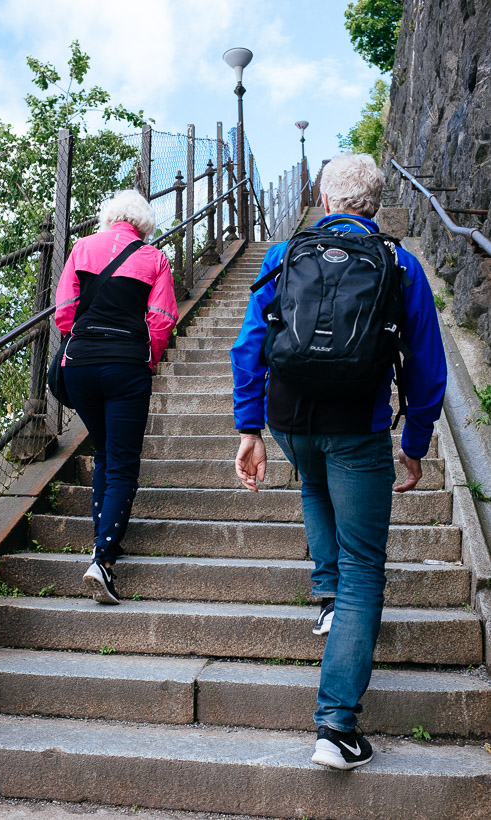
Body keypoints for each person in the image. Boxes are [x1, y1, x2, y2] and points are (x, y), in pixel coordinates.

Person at [231, 153, 446, 769]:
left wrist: (250, 429)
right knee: (365, 570)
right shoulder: (400, 264)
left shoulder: (282, 256)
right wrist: (414, 444)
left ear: (325, 200)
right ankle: (337, 726)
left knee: (313, 485)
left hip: (290, 420)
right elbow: (430, 370)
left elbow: (248, 346)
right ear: (375, 207)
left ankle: (326, 599)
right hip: (359, 427)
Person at [55, 189, 178, 605]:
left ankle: (103, 543)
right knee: (123, 461)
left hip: (82, 365)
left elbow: (65, 311)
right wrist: (147, 358)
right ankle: (103, 559)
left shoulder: (82, 247)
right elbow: (161, 320)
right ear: (144, 225)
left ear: (109, 218)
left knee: (106, 452)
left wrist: (84, 341)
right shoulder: (155, 259)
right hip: (127, 366)